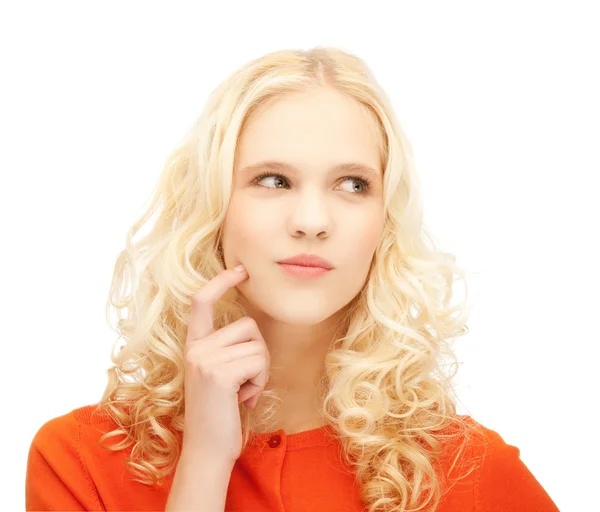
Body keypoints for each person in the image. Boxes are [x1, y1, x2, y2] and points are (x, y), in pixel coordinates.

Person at [25, 46, 560, 512]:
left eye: (352, 184)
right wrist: (205, 464)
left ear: (384, 224)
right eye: (274, 180)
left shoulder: (465, 469)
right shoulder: (80, 461)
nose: (312, 220)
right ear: (212, 207)